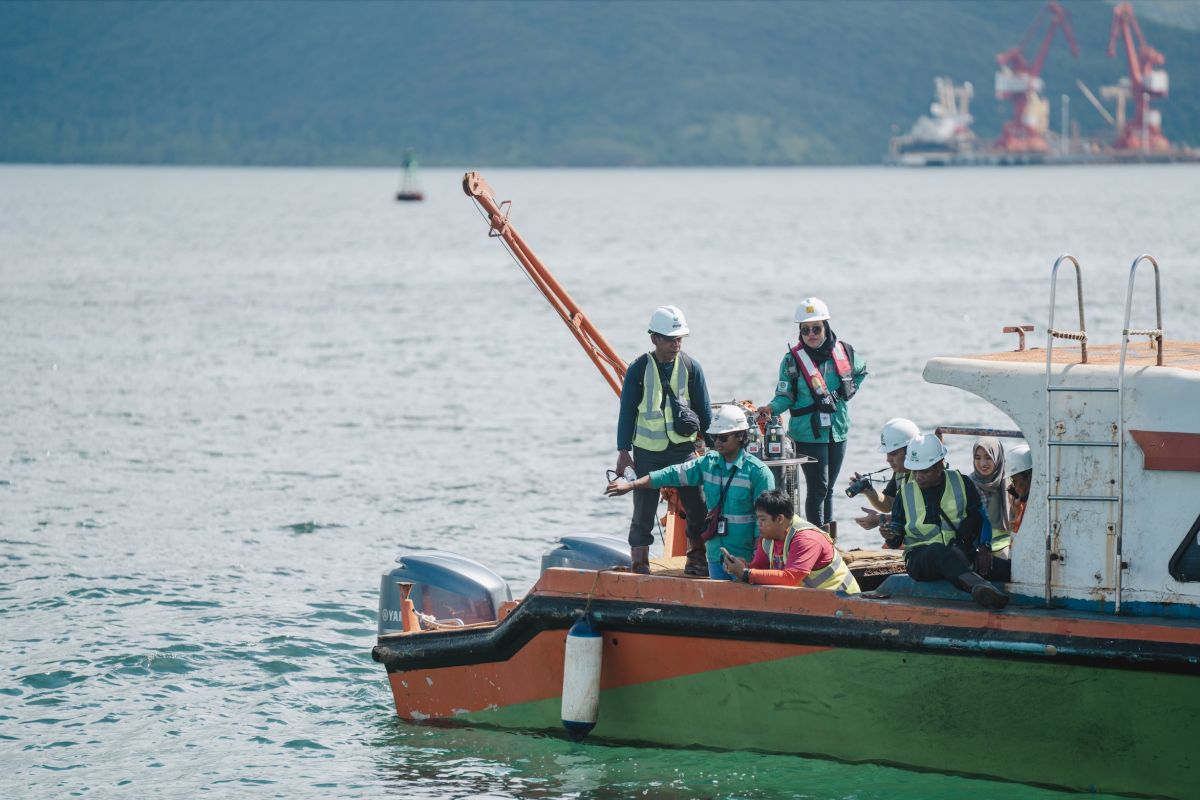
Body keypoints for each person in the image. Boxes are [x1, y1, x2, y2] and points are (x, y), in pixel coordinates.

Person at [607, 404, 774, 580]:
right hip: (715, 558)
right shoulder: (707, 464)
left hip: (744, 559)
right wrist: (632, 486)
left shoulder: (758, 474)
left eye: (723, 437)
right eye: (714, 436)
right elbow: (670, 474)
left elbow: (766, 525)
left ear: (740, 436)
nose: (716, 442)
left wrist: (754, 565)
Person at [614, 305, 712, 576]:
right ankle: (640, 563)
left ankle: (697, 559)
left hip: (683, 449)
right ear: (654, 338)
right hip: (648, 451)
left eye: (680, 338)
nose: (676, 344)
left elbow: (705, 412)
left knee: (697, 506)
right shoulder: (638, 370)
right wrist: (623, 452)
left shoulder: (692, 368)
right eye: (670, 339)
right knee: (643, 512)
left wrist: (711, 450)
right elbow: (627, 412)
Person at [758, 297, 867, 528]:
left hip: (837, 431)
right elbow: (784, 396)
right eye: (805, 330)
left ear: (826, 327)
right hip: (807, 432)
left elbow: (860, 372)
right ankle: (817, 538)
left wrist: (846, 392)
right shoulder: (791, 360)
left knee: (828, 488)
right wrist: (770, 409)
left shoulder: (845, 351)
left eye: (816, 328)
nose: (811, 334)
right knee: (818, 487)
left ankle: (828, 538)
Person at [883, 433, 1010, 608]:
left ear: (940, 465)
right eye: (915, 470)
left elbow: (979, 517)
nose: (919, 476)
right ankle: (979, 588)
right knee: (937, 551)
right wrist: (890, 535)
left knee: (1008, 569)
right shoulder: (904, 493)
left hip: (959, 554)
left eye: (925, 470)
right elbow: (895, 538)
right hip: (921, 560)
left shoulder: (962, 482)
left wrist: (984, 547)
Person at [722, 490, 860, 593]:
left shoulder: (806, 539)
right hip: (816, 603)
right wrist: (743, 566)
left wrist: (746, 573)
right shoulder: (768, 538)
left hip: (845, 604)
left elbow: (791, 578)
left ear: (780, 519)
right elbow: (757, 569)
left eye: (763, 519)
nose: (759, 524)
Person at [852, 418, 920, 533]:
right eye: (888, 453)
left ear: (910, 450)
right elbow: (889, 504)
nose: (888, 459)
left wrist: (881, 519)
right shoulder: (902, 472)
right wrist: (869, 492)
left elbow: (920, 516)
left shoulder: (926, 477)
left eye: (893, 453)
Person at [970, 437, 1012, 558]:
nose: (983, 463)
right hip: (977, 541)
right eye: (978, 458)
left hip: (1007, 540)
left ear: (997, 458)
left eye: (988, 457)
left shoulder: (1011, 481)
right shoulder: (969, 484)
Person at [1006, 443, 1033, 534]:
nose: (1013, 486)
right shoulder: (1021, 503)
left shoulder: (1035, 507)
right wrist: (1016, 508)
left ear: (1029, 477)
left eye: (1015, 481)